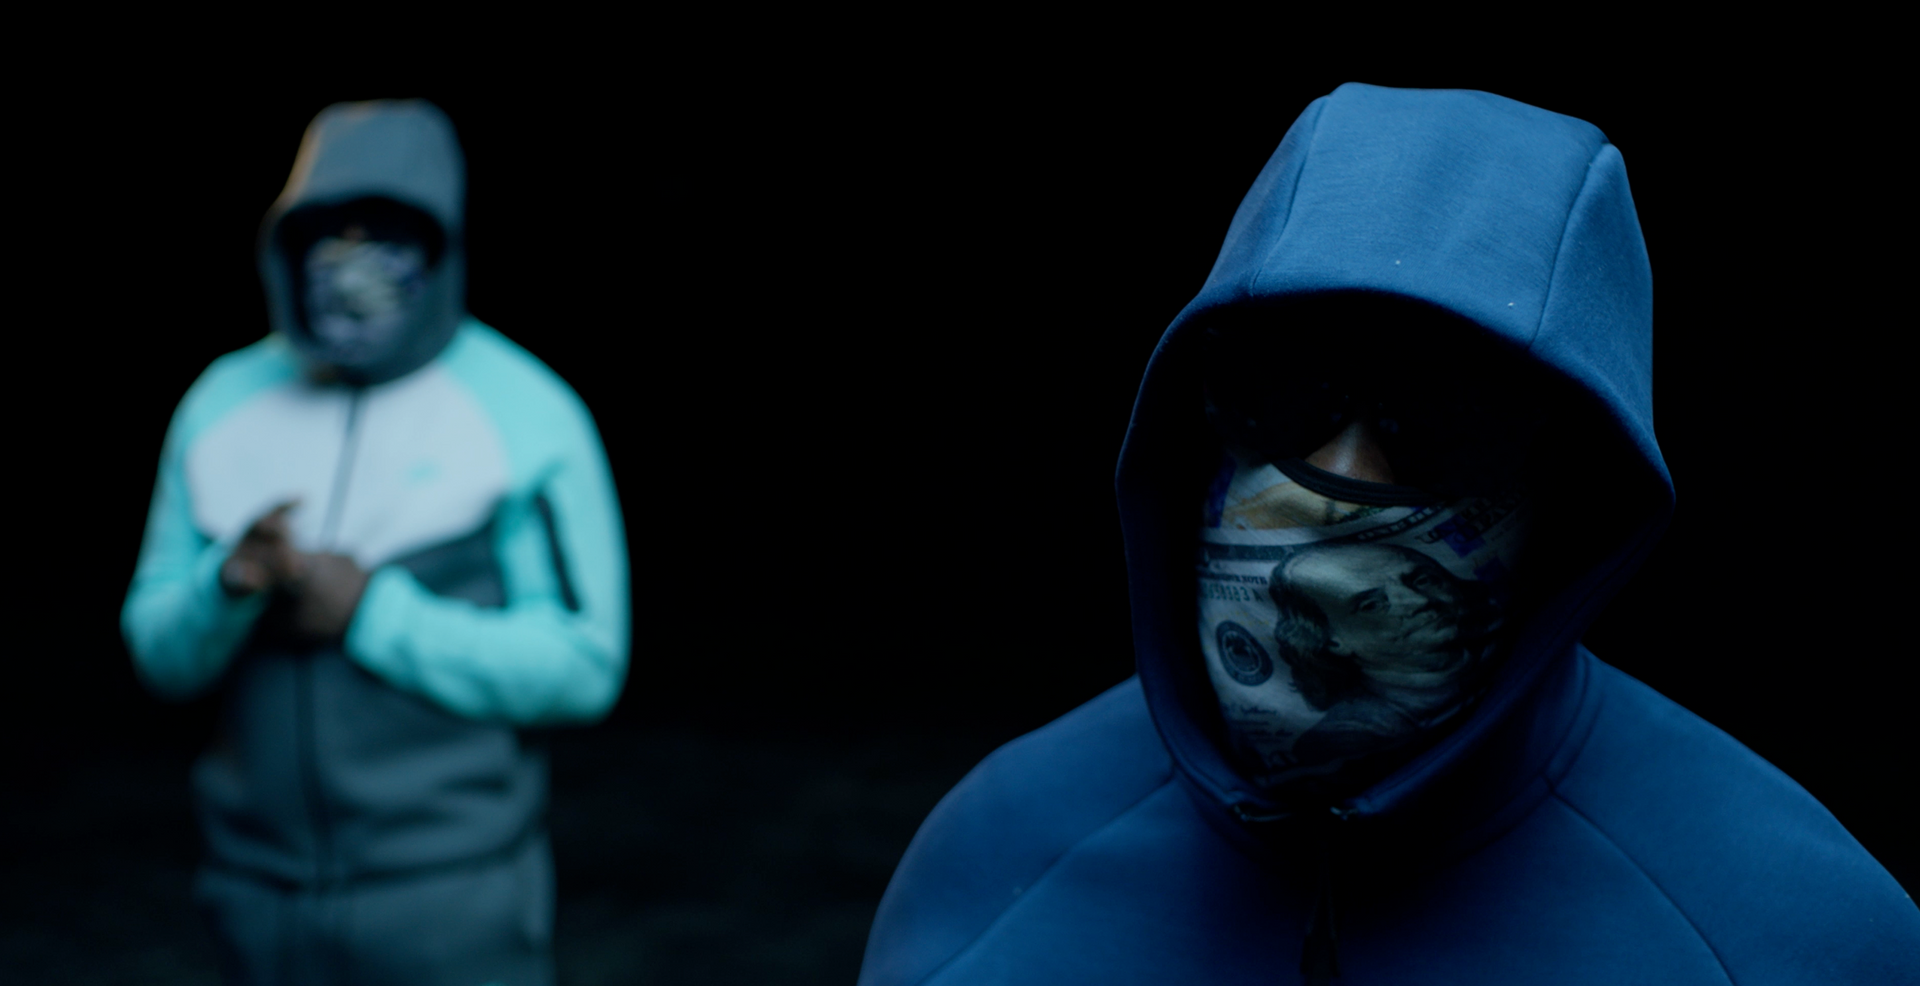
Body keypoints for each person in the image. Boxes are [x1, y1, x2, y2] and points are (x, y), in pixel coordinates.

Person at [857, 84, 1918, 985]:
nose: (1341, 491)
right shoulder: (995, 853)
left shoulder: (1794, 934)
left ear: (1578, 489)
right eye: (1289, 392)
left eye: (1446, 419)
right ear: (1195, 415)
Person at [122, 100, 628, 985]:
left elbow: (585, 663)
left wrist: (374, 614)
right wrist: (229, 584)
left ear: (442, 242)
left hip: (452, 908)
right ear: (288, 238)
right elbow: (158, 654)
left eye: (388, 228)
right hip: (252, 905)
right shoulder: (219, 408)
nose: (354, 254)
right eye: (329, 227)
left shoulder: (523, 415)